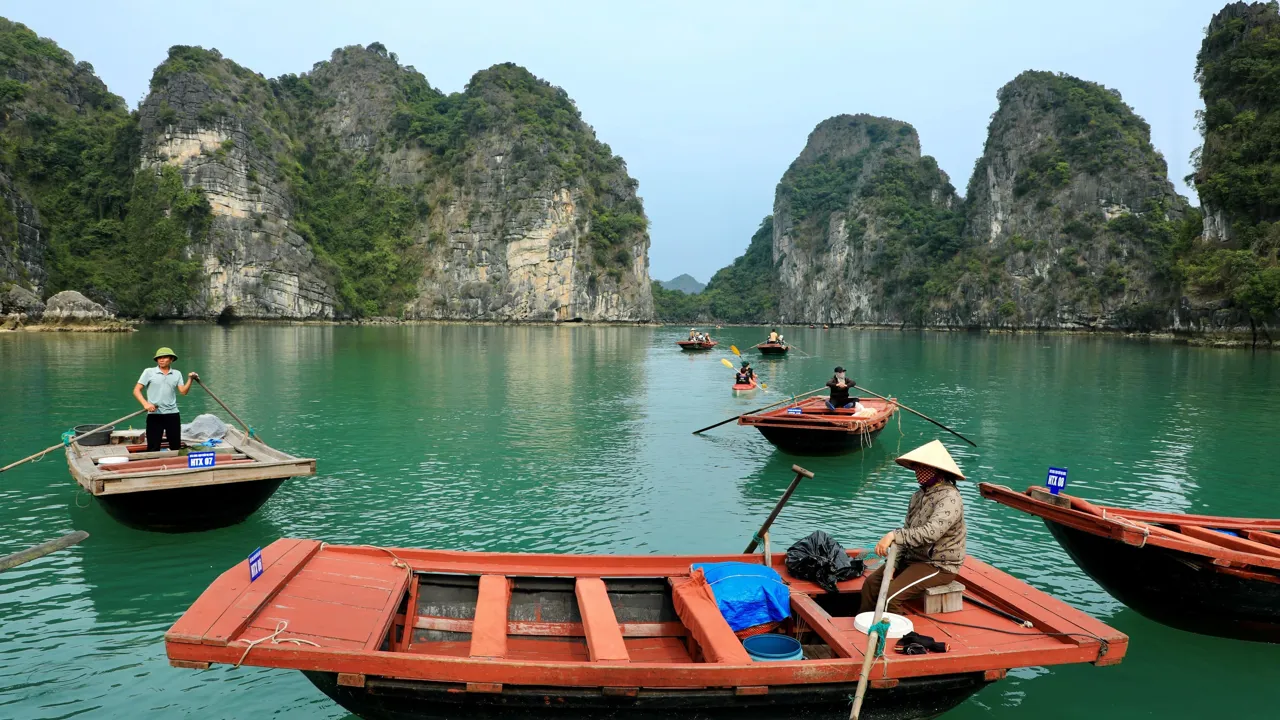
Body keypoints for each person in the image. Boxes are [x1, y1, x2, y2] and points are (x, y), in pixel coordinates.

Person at [859, 440, 967, 615]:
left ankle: (895, 638)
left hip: (938, 564)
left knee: (891, 597)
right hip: (913, 558)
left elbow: (931, 532)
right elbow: (906, 533)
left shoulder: (950, 498)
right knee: (871, 585)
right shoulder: (918, 496)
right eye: (917, 467)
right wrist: (893, 563)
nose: (918, 471)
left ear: (938, 471)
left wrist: (893, 535)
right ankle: (865, 627)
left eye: (924, 467)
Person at [133, 347, 198, 452]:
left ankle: (176, 467)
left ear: (171, 359)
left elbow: (183, 392)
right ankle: (154, 466)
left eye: (164, 357)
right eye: (159, 358)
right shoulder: (149, 372)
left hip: (172, 414)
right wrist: (145, 404)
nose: (161, 360)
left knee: (175, 446)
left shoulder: (177, 374)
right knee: (153, 447)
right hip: (155, 414)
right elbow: (136, 390)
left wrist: (191, 379)